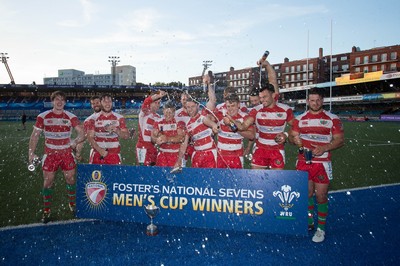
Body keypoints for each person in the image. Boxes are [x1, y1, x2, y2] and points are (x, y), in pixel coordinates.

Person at [289, 88, 344, 243]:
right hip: (303, 161)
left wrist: (324, 148)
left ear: (323, 100)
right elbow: (292, 138)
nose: (315, 103)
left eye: (318, 100)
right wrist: (295, 140)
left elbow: (339, 140)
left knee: (321, 196)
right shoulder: (299, 119)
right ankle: (309, 221)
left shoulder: (332, 118)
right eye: (312, 100)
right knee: (306, 194)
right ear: (308, 102)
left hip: (322, 163)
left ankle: (321, 229)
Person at [28, 91, 85, 223]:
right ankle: (46, 211)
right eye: (57, 99)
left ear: (65, 102)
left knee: (70, 179)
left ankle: (72, 205)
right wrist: (31, 153)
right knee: (48, 182)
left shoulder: (71, 117)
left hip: (66, 154)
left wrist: (75, 142)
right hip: (50, 155)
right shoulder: (43, 116)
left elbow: (82, 133)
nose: (59, 102)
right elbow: (35, 135)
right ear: (52, 101)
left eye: (62, 99)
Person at [230, 83, 294, 170]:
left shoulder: (285, 110)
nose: (262, 100)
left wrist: (286, 135)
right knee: (257, 180)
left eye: (265, 97)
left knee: (276, 181)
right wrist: (232, 121)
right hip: (260, 149)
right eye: (260, 97)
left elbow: (296, 127)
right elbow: (243, 126)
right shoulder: (256, 110)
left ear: (273, 95)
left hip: (277, 150)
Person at [212, 93, 255, 168]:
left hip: (236, 156)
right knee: (220, 179)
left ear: (238, 105)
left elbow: (251, 135)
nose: (230, 109)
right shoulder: (220, 115)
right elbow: (206, 118)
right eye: (228, 106)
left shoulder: (244, 117)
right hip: (221, 156)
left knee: (237, 179)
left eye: (233, 106)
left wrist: (233, 127)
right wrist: (213, 126)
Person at [86, 94, 129, 165]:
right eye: (104, 101)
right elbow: (90, 137)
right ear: (100, 103)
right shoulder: (93, 119)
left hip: (114, 154)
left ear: (112, 103)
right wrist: (100, 150)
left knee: (115, 176)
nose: (107, 104)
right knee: (95, 176)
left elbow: (126, 136)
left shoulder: (119, 118)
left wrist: (116, 130)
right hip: (97, 154)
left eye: (109, 101)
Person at [137, 90, 167, 166]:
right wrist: (158, 95)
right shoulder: (145, 112)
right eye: (155, 102)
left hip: (154, 148)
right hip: (143, 147)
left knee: (154, 171)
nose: (157, 105)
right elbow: (146, 102)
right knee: (143, 171)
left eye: (159, 103)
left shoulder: (159, 117)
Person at [151, 101, 186, 167]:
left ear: (174, 112)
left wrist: (167, 139)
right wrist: (157, 140)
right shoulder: (158, 122)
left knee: (177, 176)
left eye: (170, 112)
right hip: (162, 154)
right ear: (163, 111)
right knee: (161, 176)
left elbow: (181, 138)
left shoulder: (179, 122)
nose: (168, 115)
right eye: (166, 112)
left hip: (176, 154)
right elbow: (152, 137)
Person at [75, 95, 102, 162]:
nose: (96, 105)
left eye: (97, 102)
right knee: (95, 172)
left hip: (113, 152)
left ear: (102, 102)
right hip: (96, 152)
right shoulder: (89, 120)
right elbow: (83, 137)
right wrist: (78, 153)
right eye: (93, 103)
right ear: (91, 105)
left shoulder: (112, 116)